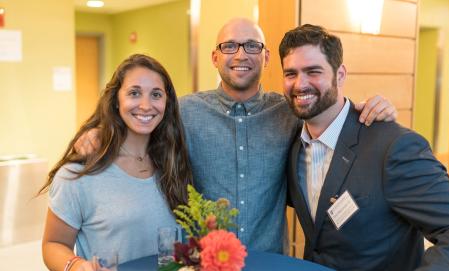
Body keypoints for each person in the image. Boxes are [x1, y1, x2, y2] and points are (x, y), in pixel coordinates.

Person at [74, 18, 397, 254]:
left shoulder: (289, 111)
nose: (240, 54)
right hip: (201, 265)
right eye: (229, 46)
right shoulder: (183, 111)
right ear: (215, 57)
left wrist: (369, 107)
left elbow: (331, 111)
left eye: (252, 46)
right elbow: (140, 121)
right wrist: (100, 130)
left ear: (266, 57)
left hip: (270, 262)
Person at [281, 24, 449, 271]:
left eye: (313, 71)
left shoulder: (394, 146)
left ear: (340, 75)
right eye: (290, 73)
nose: (300, 83)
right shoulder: (293, 144)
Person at [39, 54, 192, 271]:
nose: (145, 104)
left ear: (167, 103)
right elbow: (52, 245)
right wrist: (75, 267)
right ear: (115, 101)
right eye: (134, 93)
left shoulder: (173, 163)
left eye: (156, 95)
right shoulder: (79, 174)